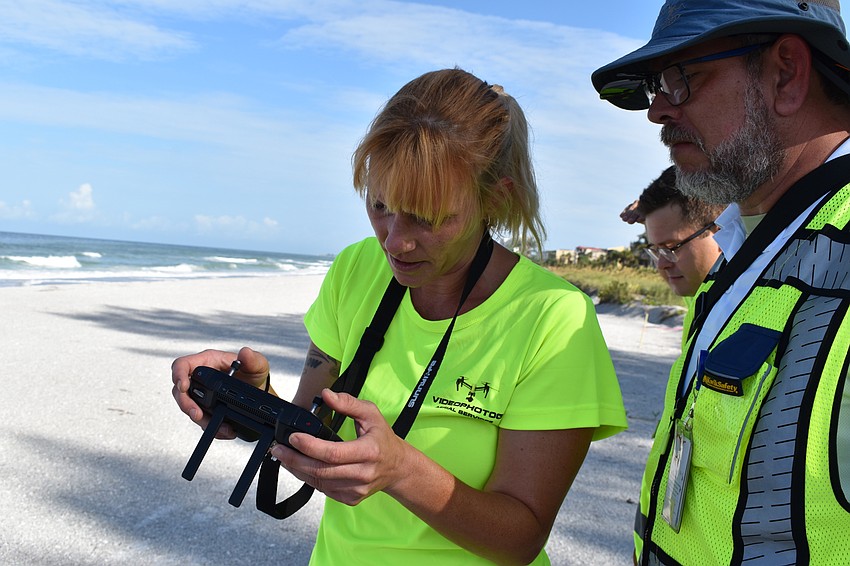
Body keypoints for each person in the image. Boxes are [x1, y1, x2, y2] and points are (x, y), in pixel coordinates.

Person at [172, 68, 627, 565]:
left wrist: (402, 471)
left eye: (428, 217)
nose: (394, 241)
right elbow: (308, 430)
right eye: (381, 205)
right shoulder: (357, 268)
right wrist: (248, 402)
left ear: (494, 197)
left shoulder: (552, 317)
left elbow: (521, 538)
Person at [592, 1, 850, 564]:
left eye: (682, 79)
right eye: (656, 84)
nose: (657, 111)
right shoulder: (747, 243)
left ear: (786, 73)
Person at [624, 166, 724, 298]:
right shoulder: (705, 296)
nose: (661, 264)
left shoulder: (746, 300)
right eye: (655, 250)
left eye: (672, 248)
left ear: (721, 234)